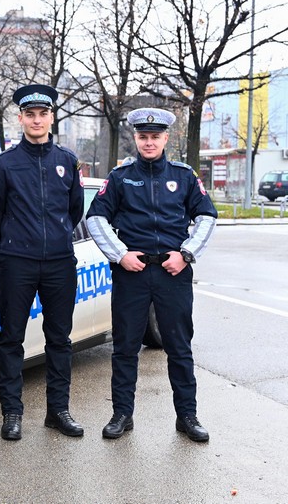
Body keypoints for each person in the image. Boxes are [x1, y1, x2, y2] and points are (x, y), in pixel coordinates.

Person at [86, 107, 217, 442]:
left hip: (173, 274)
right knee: (126, 348)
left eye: (154, 136)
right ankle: (122, 415)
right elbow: (96, 219)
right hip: (133, 273)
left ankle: (187, 416)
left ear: (165, 138)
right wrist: (120, 255)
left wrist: (186, 254)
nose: (148, 142)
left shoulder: (184, 176)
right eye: (142, 136)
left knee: (179, 346)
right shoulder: (119, 177)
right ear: (135, 137)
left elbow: (206, 216)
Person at [0, 83, 85, 441]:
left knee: (59, 339)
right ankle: (12, 413)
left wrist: (55, 238)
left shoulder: (68, 161)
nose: (37, 120)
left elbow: (74, 210)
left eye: (43, 114)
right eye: (30, 114)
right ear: (21, 118)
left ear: (52, 117)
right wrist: (15, 241)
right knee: (11, 339)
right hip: (17, 263)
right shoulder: (5, 164)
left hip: (59, 262)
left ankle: (58, 411)